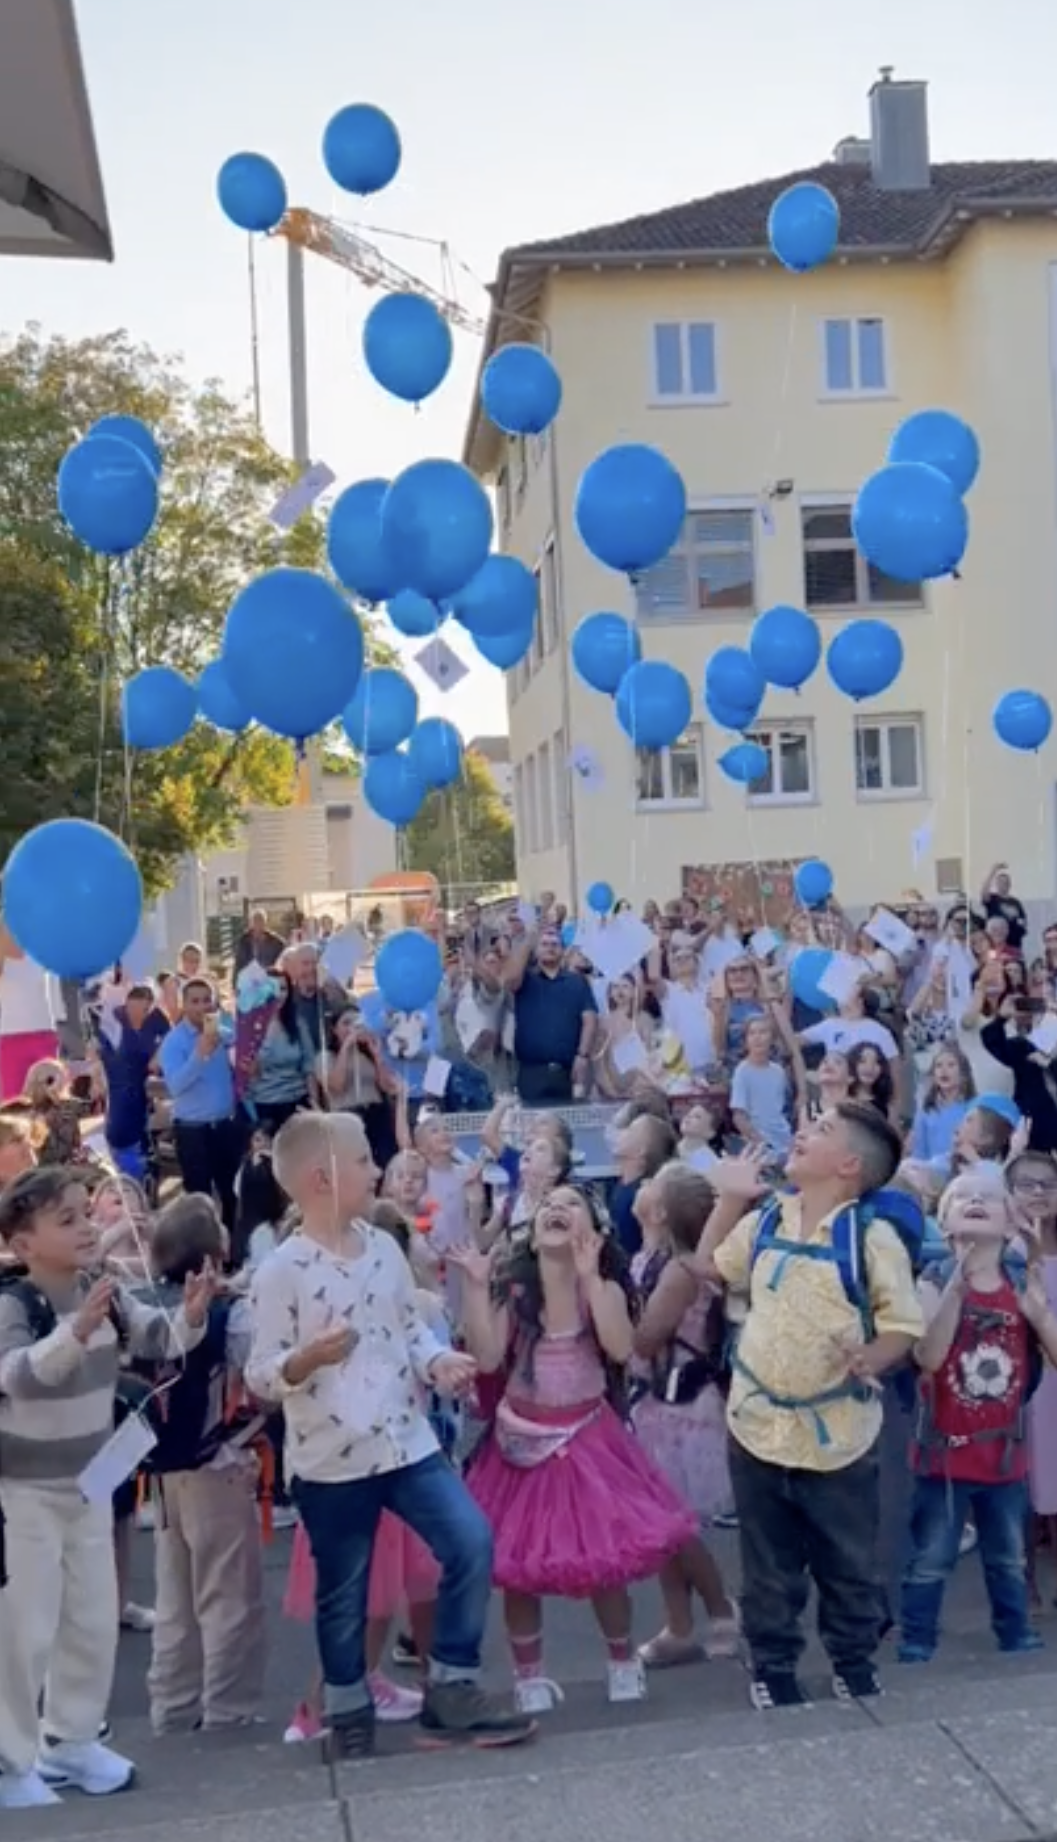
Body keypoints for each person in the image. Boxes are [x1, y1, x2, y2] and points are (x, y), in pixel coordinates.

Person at [245, 1111, 533, 1758]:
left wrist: (438, 1360)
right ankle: (347, 1708)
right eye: (362, 1161)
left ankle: (452, 1685)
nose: (376, 1170)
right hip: (330, 1464)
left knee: (469, 1539)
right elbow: (261, 1373)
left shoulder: (381, 1247)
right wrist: (304, 1360)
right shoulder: (281, 1271)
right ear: (322, 1178)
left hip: (407, 1445)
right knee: (343, 1590)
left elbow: (408, 1329)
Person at [0, 1167, 215, 1810]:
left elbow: (157, 1336)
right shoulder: (15, 1306)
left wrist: (192, 1315)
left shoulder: (106, 1290)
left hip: (89, 1485)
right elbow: (17, 1376)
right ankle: (10, 1759)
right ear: (23, 1242)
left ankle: (71, 1739)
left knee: (92, 1619)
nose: (87, 1227)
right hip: (23, 1493)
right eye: (66, 1219)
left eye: (85, 1214)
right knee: (23, 1628)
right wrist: (74, 1334)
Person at [698, 1106, 923, 1709]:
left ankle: (853, 1660)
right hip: (756, 1423)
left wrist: (872, 1357)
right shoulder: (765, 1219)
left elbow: (903, 1324)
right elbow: (709, 1266)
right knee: (766, 1562)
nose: (801, 1133)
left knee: (847, 1559)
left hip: (838, 1431)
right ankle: (773, 1666)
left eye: (821, 1130)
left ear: (849, 1166)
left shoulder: (870, 1238)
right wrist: (729, 1200)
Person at [451, 1186, 698, 1714]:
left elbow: (620, 1347)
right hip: (519, 1443)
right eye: (547, 1205)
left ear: (595, 1231)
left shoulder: (601, 1289)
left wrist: (589, 1277)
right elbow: (488, 1359)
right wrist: (474, 1287)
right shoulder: (514, 1291)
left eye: (571, 1205)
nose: (556, 1209)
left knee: (603, 1563)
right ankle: (530, 1677)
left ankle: (621, 1661)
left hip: (588, 1439)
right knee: (519, 1569)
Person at [899, 1168, 1055, 1662]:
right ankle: (917, 1639)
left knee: (1007, 1556)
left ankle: (1015, 1632)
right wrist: (955, 1292)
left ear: (1011, 1223)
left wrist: (1040, 1315)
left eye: (988, 1196)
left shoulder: (1019, 1282)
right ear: (943, 1221)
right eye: (961, 1196)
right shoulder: (932, 1279)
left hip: (1004, 1454)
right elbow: (928, 1356)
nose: (975, 1200)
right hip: (942, 1455)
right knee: (931, 1556)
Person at [142, 1194, 266, 1733]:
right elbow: (260, 1380)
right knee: (228, 1596)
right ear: (212, 1249)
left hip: (162, 1469)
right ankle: (228, 1710)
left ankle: (171, 1708)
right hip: (219, 1461)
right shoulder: (230, 1311)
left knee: (174, 1602)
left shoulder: (147, 1305)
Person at [629, 1162, 738, 1667]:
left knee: (673, 1525)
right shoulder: (654, 1259)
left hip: (678, 1407)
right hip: (659, 1402)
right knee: (663, 1527)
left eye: (651, 1186)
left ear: (659, 1211)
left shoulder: (678, 1271)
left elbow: (646, 1338)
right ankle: (678, 1625)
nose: (641, 1187)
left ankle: (720, 1610)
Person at [158, 978, 244, 1229]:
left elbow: (242, 1056)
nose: (202, 1006)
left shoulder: (223, 1035)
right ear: (184, 1005)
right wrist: (200, 1055)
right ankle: (202, 1248)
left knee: (231, 1193)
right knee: (199, 1201)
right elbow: (175, 1086)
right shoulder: (173, 1042)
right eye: (195, 1001)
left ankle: (231, 1246)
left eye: (207, 1000)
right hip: (193, 1131)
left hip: (225, 1126)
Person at [502, 923, 598, 1103]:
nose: (550, 948)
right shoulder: (525, 980)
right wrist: (528, 942)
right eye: (544, 944)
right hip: (531, 1072)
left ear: (563, 950)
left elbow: (590, 1019)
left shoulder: (577, 982)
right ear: (536, 950)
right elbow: (509, 980)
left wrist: (583, 1055)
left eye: (555, 944)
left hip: (568, 1071)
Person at [91, 982, 170, 1181]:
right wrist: (96, 1073)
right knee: (121, 1140)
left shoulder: (156, 1019)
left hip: (142, 1098)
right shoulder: (114, 1021)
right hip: (120, 1100)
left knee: (140, 1146)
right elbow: (96, 1052)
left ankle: (142, 1178)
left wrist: (160, 1055)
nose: (138, 1014)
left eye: (144, 1009)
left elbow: (168, 1041)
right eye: (132, 1008)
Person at [0, 931, 60, 1105]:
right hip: (11, 1041)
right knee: (16, 1108)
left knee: (49, 1103)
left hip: (45, 1036)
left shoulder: (37, 951)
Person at [233, 910, 286, 977]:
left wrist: (274, 969)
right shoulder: (244, 940)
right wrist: (236, 981)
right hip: (249, 978)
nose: (258, 924)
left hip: (269, 977)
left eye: (261, 921)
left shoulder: (276, 941)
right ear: (250, 923)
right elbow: (238, 964)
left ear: (265, 923)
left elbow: (283, 959)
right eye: (255, 921)